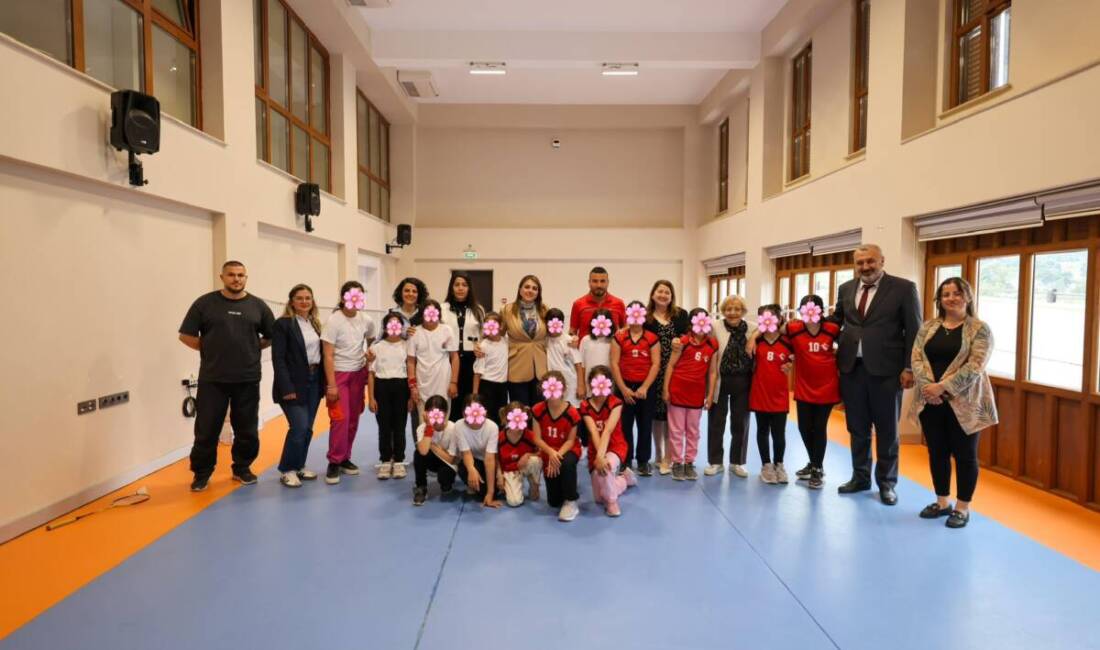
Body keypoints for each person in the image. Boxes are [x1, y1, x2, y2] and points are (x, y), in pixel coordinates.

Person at [832, 244, 922, 506]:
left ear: (882, 261)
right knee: (857, 428)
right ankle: (860, 477)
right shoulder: (846, 288)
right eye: (860, 263)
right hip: (852, 369)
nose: (865, 267)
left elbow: (914, 330)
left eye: (870, 261)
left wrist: (909, 367)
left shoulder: (903, 288)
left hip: (887, 372)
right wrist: (805, 327)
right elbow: (837, 321)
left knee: (887, 431)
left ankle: (887, 483)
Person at [910, 278, 998, 529]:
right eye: (945, 294)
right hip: (930, 401)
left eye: (957, 293)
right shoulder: (929, 327)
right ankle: (942, 502)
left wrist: (943, 388)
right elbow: (916, 358)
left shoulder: (980, 329)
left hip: (965, 403)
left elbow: (975, 366)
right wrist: (929, 388)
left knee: (965, 455)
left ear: (967, 297)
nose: (951, 298)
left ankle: (962, 507)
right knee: (937, 452)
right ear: (940, 299)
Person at [179, 261, 275, 492]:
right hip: (213, 378)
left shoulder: (258, 306)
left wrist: (252, 347)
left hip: (247, 378)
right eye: (231, 275)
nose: (236, 279)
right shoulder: (205, 304)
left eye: (241, 275)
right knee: (206, 429)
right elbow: (186, 335)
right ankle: (201, 473)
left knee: (247, 429)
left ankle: (242, 468)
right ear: (222, 277)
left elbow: (271, 336)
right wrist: (209, 349)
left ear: (246, 277)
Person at [321, 281, 377, 485]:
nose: (355, 299)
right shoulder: (334, 321)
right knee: (340, 419)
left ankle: (345, 457)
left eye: (360, 295)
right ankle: (334, 461)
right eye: (352, 294)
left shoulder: (366, 320)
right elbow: (328, 355)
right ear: (344, 297)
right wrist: (331, 385)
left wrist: (370, 353)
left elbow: (372, 340)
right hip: (339, 375)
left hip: (358, 374)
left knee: (353, 418)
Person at [271, 284, 326, 488]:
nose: (304, 301)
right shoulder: (283, 324)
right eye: (299, 298)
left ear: (313, 301)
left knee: (308, 428)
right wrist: (287, 388)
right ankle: (287, 470)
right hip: (293, 383)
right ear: (292, 301)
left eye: (308, 298)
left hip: (314, 380)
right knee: (299, 427)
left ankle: (299, 465)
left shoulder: (315, 324)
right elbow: (278, 359)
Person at [787, 295, 841, 490]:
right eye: (805, 309)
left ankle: (817, 467)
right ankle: (814, 462)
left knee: (818, 428)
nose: (809, 313)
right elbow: (771, 329)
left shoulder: (832, 329)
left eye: (813, 309)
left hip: (827, 387)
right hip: (804, 386)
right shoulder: (793, 328)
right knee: (803, 427)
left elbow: (849, 345)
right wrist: (753, 338)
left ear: (821, 311)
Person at [662, 308, 719, 481]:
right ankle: (677, 463)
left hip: (696, 395)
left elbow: (712, 372)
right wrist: (665, 389)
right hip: (677, 392)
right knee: (676, 430)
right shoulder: (682, 342)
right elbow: (671, 366)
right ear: (691, 324)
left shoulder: (712, 344)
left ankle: (689, 462)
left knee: (693, 431)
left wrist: (710, 395)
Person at [644, 280, 691, 475]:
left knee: (672, 415)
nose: (663, 295)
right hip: (652, 370)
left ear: (671, 296)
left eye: (667, 292)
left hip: (675, 370)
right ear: (653, 294)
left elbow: (689, 335)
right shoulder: (645, 317)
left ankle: (669, 456)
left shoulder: (680, 315)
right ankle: (658, 453)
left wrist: (681, 340)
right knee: (656, 415)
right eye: (660, 291)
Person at [610, 301, 661, 476]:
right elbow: (614, 364)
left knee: (645, 425)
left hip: (646, 388)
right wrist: (623, 389)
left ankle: (643, 461)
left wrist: (645, 387)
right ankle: (626, 460)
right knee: (625, 425)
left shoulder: (652, 338)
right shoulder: (619, 337)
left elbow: (655, 364)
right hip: (624, 386)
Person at [706, 295, 754, 478]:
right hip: (720, 380)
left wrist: (754, 337)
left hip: (743, 381)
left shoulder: (752, 327)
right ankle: (715, 461)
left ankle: (737, 462)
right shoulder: (715, 326)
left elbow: (768, 329)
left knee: (740, 423)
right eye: (728, 309)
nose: (732, 313)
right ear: (723, 311)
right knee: (716, 422)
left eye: (737, 309)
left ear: (743, 311)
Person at [580, 366, 636, 517]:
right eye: (596, 381)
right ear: (590, 383)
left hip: (615, 446)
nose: (600, 385)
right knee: (599, 498)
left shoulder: (616, 403)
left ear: (610, 384)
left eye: (604, 381)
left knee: (606, 468)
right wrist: (599, 456)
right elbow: (593, 431)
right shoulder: (585, 405)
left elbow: (608, 431)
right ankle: (624, 479)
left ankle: (612, 502)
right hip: (596, 448)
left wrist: (602, 458)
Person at [749, 305, 793, 485]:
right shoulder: (756, 341)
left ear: (780, 318)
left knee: (779, 433)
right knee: (762, 430)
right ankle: (766, 465)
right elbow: (747, 353)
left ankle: (779, 465)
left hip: (779, 394)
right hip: (760, 392)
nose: (768, 320)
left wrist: (791, 364)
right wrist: (754, 335)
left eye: (772, 317)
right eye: (764, 317)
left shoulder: (787, 341)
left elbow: (798, 355)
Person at [369, 312, 416, 480]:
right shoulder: (377, 347)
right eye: (390, 324)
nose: (394, 327)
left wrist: (411, 396)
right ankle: (385, 460)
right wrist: (371, 397)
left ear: (402, 327)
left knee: (399, 426)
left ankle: (399, 460)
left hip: (402, 387)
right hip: (382, 387)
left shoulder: (407, 345)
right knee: (384, 426)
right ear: (385, 327)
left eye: (398, 324)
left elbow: (411, 370)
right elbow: (371, 374)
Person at [531, 371, 582, 522]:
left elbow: (570, 441)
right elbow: (536, 438)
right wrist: (550, 453)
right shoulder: (538, 410)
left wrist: (557, 455)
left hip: (567, 449)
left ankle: (571, 501)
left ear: (563, 388)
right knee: (554, 502)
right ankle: (564, 484)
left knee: (567, 463)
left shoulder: (572, 413)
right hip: (549, 451)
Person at [441, 272, 485, 421]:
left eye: (464, 285)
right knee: (451, 399)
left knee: (469, 401)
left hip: (471, 360)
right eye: (457, 285)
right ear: (451, 287)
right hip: (449, 359)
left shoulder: (478, 309)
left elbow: (483, 336)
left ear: (469, 288)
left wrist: (480, 346)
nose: (460, 288)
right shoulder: (442, 308)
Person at [501, 275, 548, 405]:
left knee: (539, 409)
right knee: (519, 410)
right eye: (527, 287)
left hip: (540, 367)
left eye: (534, 288)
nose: (530, 290)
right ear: (520, 290)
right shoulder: (507, 310)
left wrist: (570, 339)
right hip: (517, 366)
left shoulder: (544, 309)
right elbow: (498, 335)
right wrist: (481, 345)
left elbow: (554, 334)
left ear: (538, 292)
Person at [407, 299, 460, 415]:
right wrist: (413, 387)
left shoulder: (447, 330)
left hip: (444, 383)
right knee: (424, 421)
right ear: (422, 314)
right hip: (422, 384)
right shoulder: (415, 333)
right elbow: (410, 362)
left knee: (443, 419)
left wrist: (454, 382)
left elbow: (455, 357)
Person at [412, 395, 461, 506]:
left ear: (445, 413)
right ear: (425, 414)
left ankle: (447, 484)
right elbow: (423, 451)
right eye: (431, 413)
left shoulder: (453, 428)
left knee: (445, 480)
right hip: (432, 460)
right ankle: (421, 487)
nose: (434, 417)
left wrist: (432, 446)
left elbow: (452, 459)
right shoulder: (422, 428)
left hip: (448, 464)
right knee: (418, 454)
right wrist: (429, 427)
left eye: (438, 413)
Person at [455, 394, 501, 508]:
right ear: (463, 413)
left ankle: (481, 486)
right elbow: (466, 453)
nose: (474, 415)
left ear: (485, 412)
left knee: (494, 493)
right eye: (470, 411)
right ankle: (472, 482)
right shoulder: (459, 425)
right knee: (466, 471)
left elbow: (490, 460)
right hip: (472, 461)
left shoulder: (492, 427)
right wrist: (471, 469)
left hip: (488, 461)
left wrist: (490, 493)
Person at [496, 402, 543, 507]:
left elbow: (541, 451)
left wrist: (528, 455)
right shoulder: (500, 437)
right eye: (513, 419)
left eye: (519, 418)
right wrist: (499, 474)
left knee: (535, 461)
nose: (516, 422)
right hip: (510, 470)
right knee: (514, 502)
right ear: (506, 419)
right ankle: (515, 485)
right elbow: (496, 458)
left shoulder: (530, 435)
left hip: (525, 465)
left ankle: (534, 484)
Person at [569, 266, 627, 339]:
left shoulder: (619, 303)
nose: (599, 285)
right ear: (589, 282)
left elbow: (625, 328)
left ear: (608, 282)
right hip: (585, 346)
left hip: (612, 346)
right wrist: (571, 340)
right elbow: (572, 331)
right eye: (595, 281)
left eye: (602, 281)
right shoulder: (578, 304)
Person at [472, 312, 509, 425]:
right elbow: (477, 372)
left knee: (502, 416)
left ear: (500, 326)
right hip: (487, 385)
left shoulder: (506, 341)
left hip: (502, 386)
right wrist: (475, 395)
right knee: (489, 417)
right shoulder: (483, 346)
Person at [544, 307, 583, 409]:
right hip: (552, 383)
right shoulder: (544, 340)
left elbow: (578, 364)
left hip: (570, 383)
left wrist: (580, 386)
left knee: (571, 410)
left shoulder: (569, 340)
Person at [577, 308, 614, 401]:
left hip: (609, 386)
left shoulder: (614, 341)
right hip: (590, 386)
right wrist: (581, 385)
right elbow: (581, 365)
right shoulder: (586, 340)